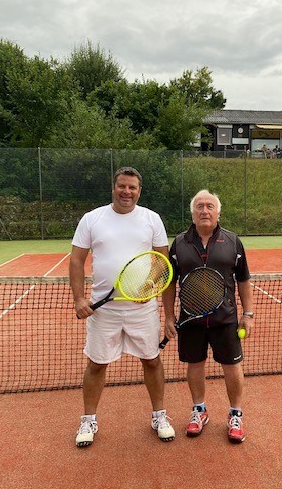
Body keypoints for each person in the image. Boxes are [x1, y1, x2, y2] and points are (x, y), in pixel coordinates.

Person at [70, 166, 175, 447]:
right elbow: (76, 260)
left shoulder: (152, 219)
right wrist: (79, 298)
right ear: (113, 187)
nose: (126, 192)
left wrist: (150, 287)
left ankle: (159, 416)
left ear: (139, 191)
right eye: (122, 186)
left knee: (152, 360)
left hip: (143, 308)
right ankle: (88, 419)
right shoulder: (92, 219)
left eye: (132, 187)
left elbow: (162, 263)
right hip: (103, 310)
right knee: (96, 364)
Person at [162, 190, 254, 443]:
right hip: (190, 319)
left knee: (232, 367)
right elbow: (169, 283)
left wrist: (248, 314)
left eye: (210, 206)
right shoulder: (179, 243)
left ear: (218, 213)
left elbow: (244, 280)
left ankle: (235, 414)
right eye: (200, 206)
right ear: (192, 213)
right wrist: (168, 316)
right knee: (195, 365)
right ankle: (199, 410)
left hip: (225, 319)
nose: (205, 211)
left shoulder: (233, 241)